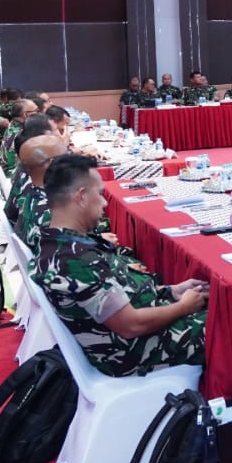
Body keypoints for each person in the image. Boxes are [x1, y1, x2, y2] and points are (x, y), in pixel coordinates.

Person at [34, 154, 207, 377]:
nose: (105, 203)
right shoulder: (76, 260)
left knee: (212, 300)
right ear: (82, 197)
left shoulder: (60, 241)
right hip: (136, 351)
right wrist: (183, 307)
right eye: (100, 194)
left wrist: (170, 291)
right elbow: (131, 325)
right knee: (227, 321)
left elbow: (117, 296)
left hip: (133, 335)